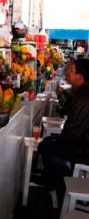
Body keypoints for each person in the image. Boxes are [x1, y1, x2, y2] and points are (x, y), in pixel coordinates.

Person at [38, 59, 89, 201]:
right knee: (48, 142)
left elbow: (73, 133)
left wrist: (59, 141)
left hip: (83, 149)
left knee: (45, 145)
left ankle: (64, 176)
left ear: (80, 75)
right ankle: (51, 182)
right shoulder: (80, 92)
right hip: (80, 143)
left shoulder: (83, 98)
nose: (68, 74)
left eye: (71, 71)